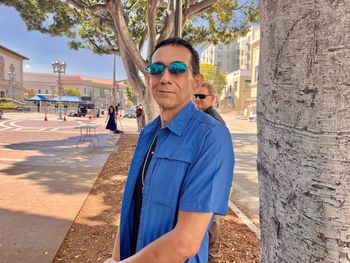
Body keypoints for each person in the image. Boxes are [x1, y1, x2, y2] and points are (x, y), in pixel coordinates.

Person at [104, 38, 234, 263]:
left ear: (196, 82)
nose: (165, 78)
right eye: (156, 69)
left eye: (177, 70)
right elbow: (131, 205)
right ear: (148, 79)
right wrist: (115, 258)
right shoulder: (149, 133)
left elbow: (186, 242)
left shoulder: (212, 137)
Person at [194, 82, 226, 262]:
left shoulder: (214, 123)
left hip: (210, 182)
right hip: (201, 180)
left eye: (202, 96)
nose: (197, 99)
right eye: (196, 96)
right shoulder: (201, 117)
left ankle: (213, 258)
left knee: (211, 225)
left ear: (212, 99)